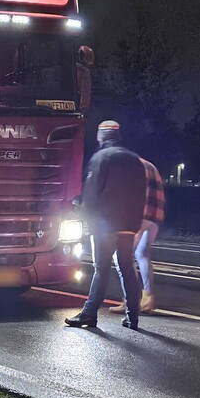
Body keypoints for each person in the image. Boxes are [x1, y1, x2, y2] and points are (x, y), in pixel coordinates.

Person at [65, 120, 146, 330]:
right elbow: (141, 194)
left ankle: (89, 314)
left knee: (101, 269)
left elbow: (92, 194)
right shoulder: (134, 160)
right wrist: (135, 223)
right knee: (127, 268)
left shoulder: (101, 158)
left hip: (104, 225)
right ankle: (133, 317)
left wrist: (83, 214)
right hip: (128, 224)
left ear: (101, 136)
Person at [109, 156, 164, 314]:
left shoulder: (130, 166)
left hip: (139, 215)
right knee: (142, 254)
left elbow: (128, 193)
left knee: (121, 256)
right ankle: (148, 298)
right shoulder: (151, 165)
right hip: (155, 216)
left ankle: (130, 299)